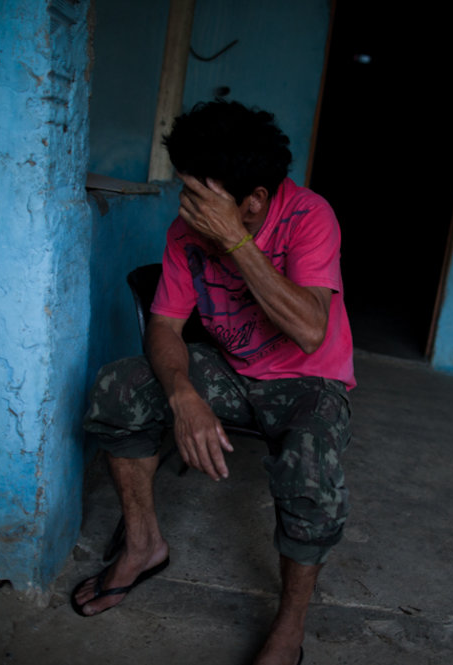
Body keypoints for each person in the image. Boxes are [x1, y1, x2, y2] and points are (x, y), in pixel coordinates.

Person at [71, 100, 354, 665]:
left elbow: (309, 331)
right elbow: (164, 326)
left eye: (198, 194)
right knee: (117, 389)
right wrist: (183, 396)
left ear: (253, 201)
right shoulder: (185, 232)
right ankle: (144, 545)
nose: (184, 205)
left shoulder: (309, 216)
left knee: (311, 474)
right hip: (228, 369)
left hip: (310, 381)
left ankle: (290, 625)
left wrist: (235, 243)